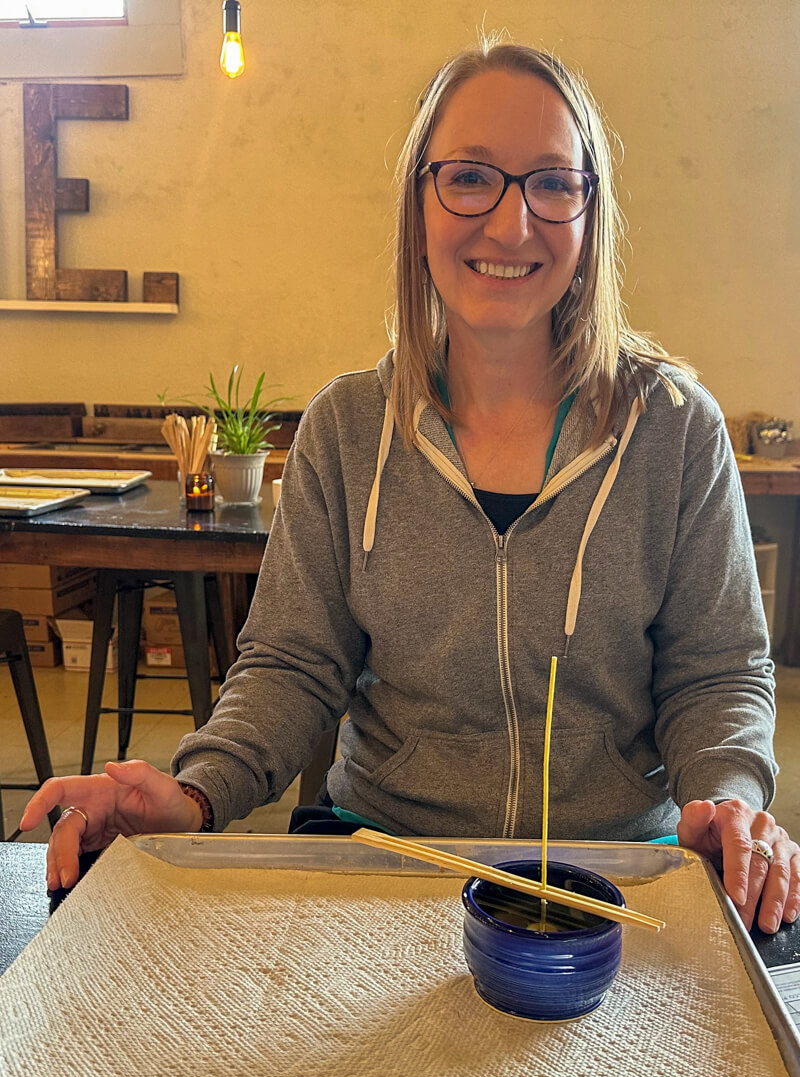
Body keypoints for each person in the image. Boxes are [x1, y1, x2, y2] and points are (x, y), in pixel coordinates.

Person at [22, 38, 800, 935]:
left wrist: (730, 800)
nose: (511, 226)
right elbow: (292, 666)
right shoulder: (347, 431)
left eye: (551, 182)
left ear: (591, 211)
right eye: (470, 177)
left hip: (614, 879)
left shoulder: (676, 429)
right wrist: (196, 792)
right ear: (419, 202)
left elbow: (717, 674)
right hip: (382, 860)